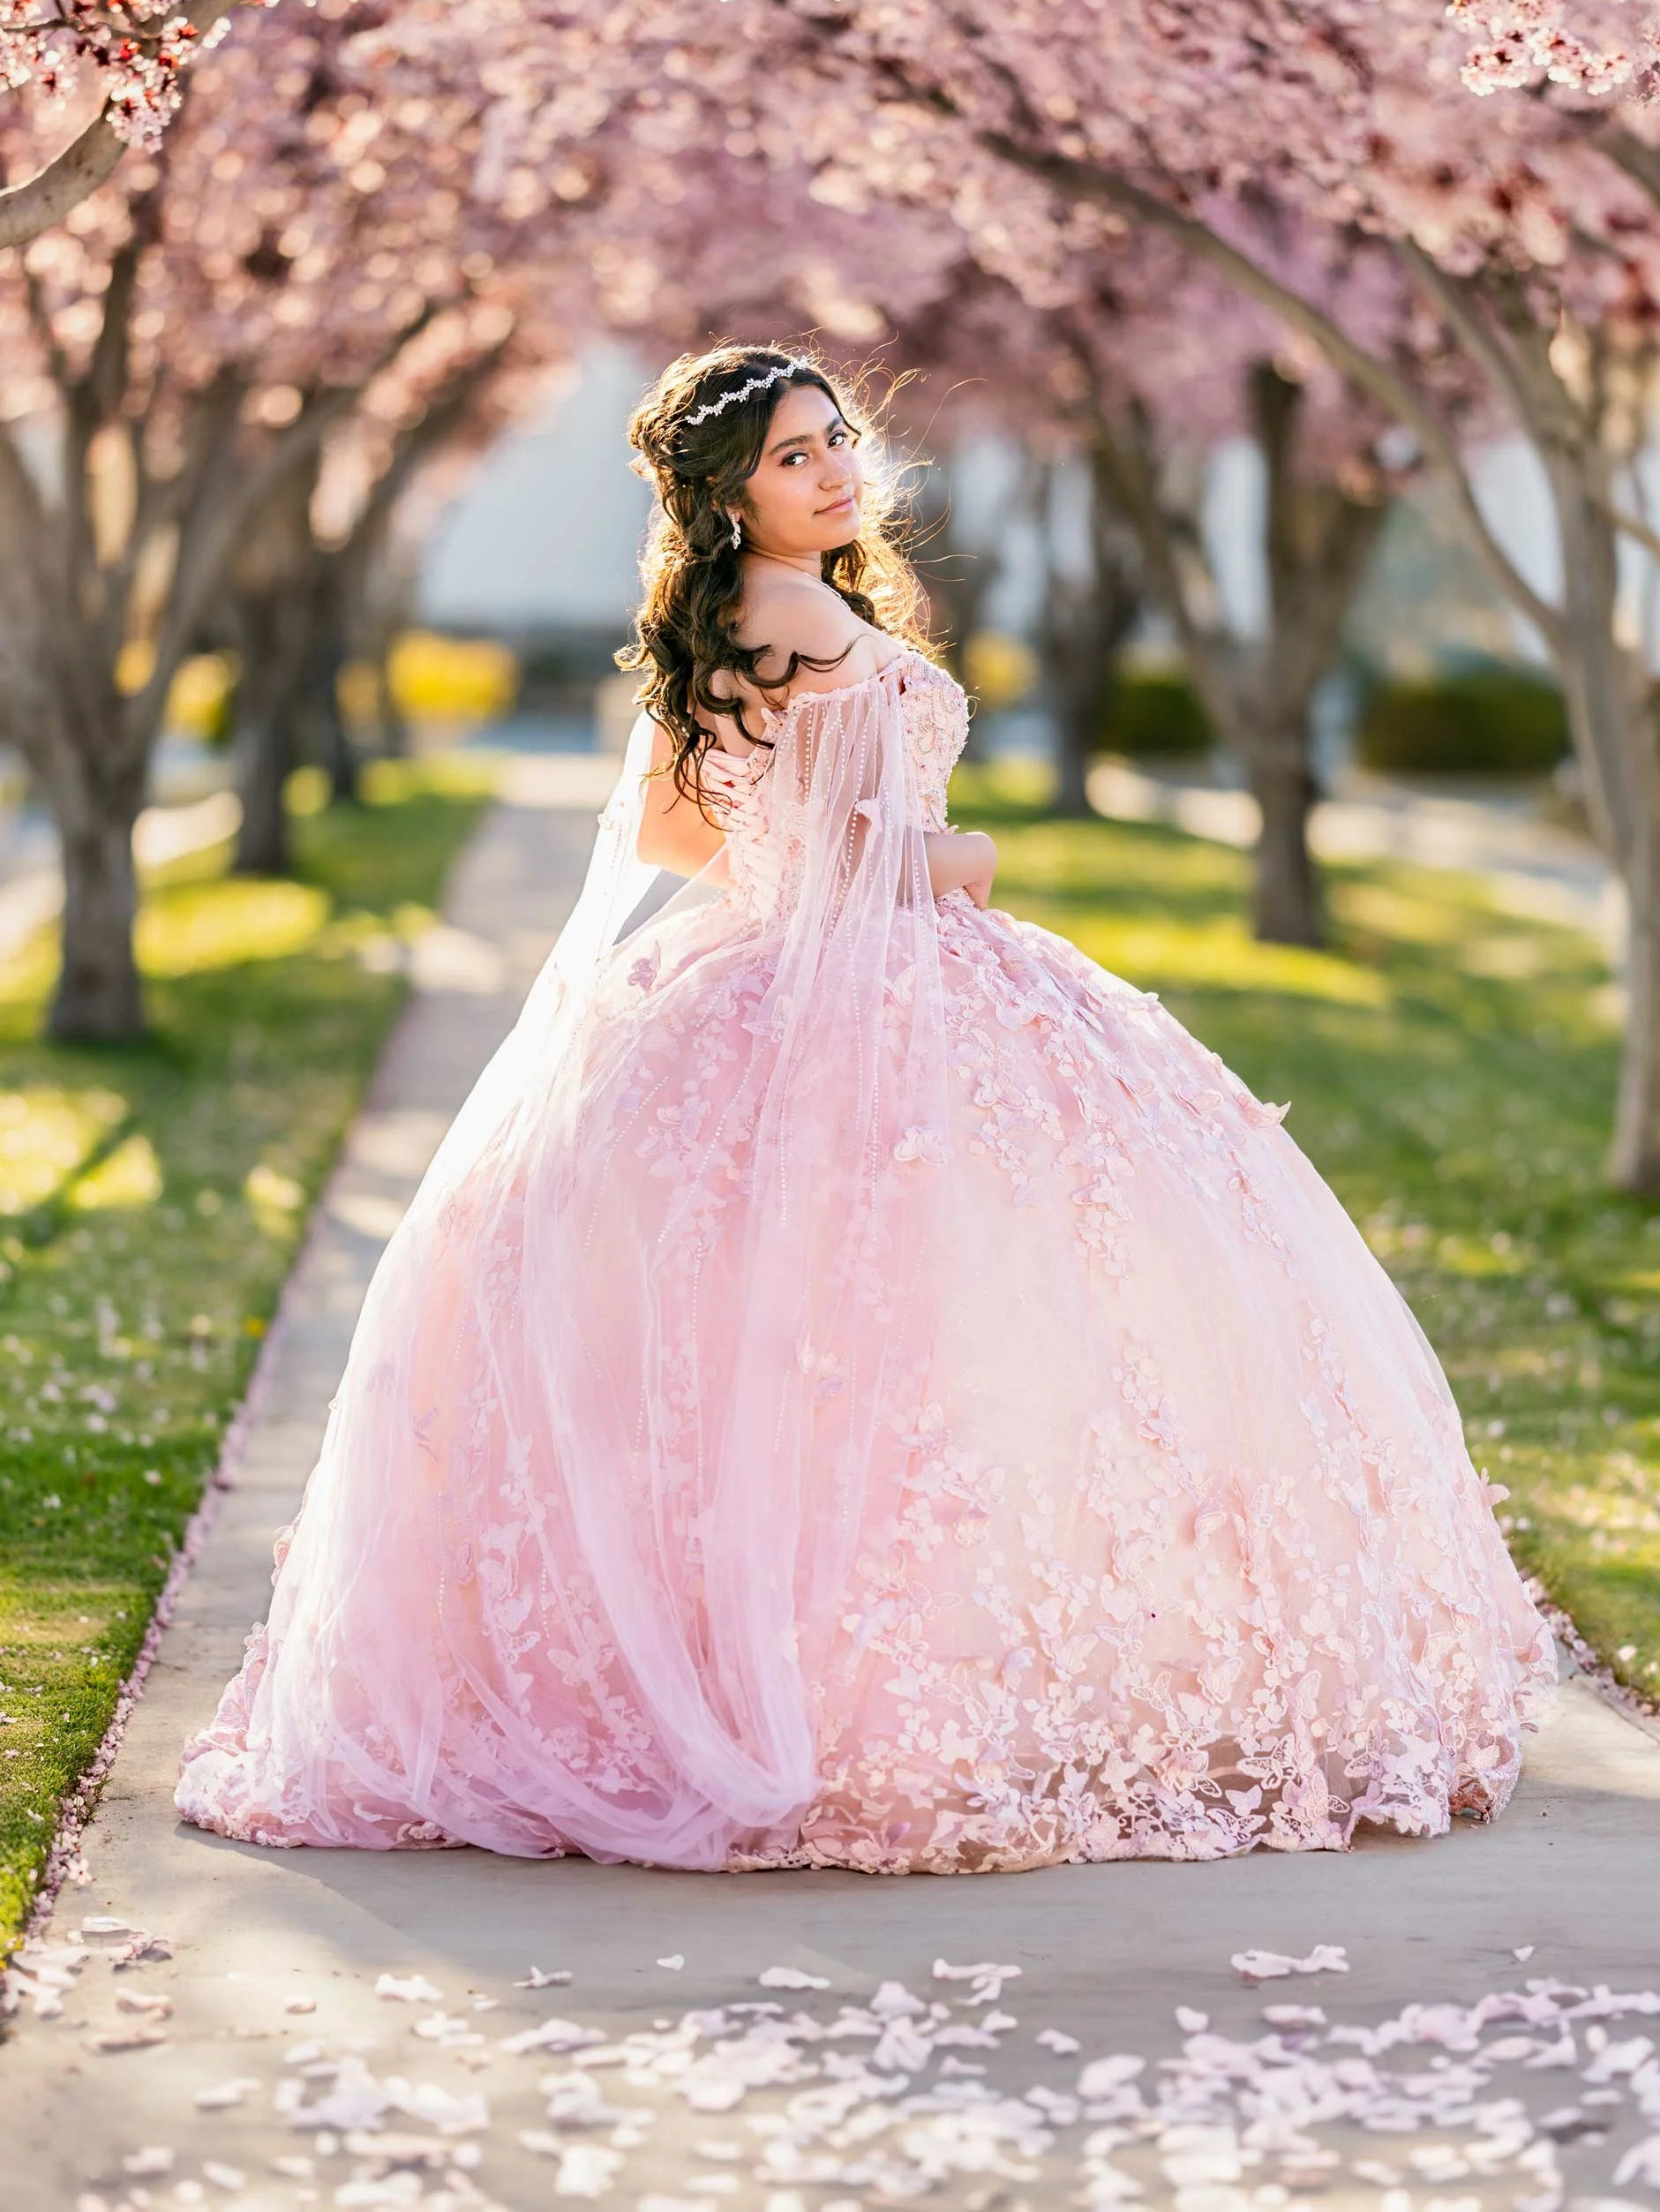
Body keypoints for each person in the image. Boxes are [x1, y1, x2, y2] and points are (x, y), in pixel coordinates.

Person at [177, 343, 1555, 1872]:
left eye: (837, 440)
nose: (834, 470)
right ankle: (875, 1691)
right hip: (872, 977)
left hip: (802, 972)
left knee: (829, 1339)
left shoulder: (749, 614)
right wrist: (949, 866)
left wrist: (815, 867)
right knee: (931, 1325)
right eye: (791, 456)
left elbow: (674, 825)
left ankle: (835, 1670)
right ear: (725, 493)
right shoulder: (795, 610)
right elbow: (847, 858)